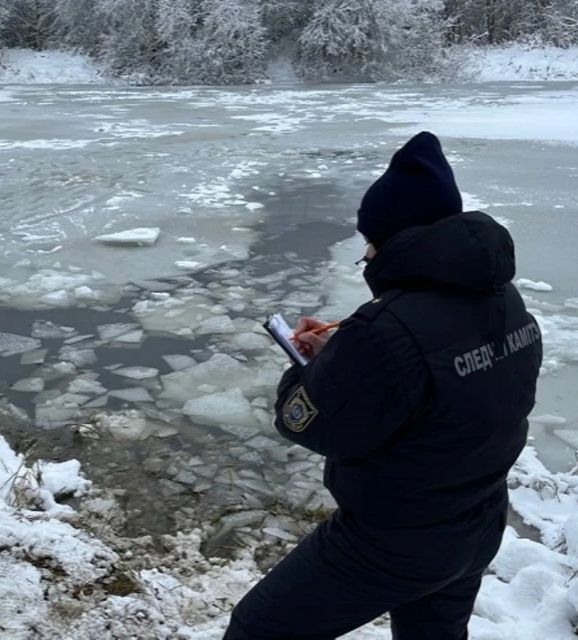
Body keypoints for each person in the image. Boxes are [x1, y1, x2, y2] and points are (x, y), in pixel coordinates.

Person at [223, 131, 543, 640]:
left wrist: (307, 368)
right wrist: (347, 358)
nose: (366, 254)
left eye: (370, 241)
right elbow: (441, 384)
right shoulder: (504, 300)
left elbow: (308, 423)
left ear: (391, 240)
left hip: (392, 542)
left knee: (258, 629)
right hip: (478, 522)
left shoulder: (387, 329)